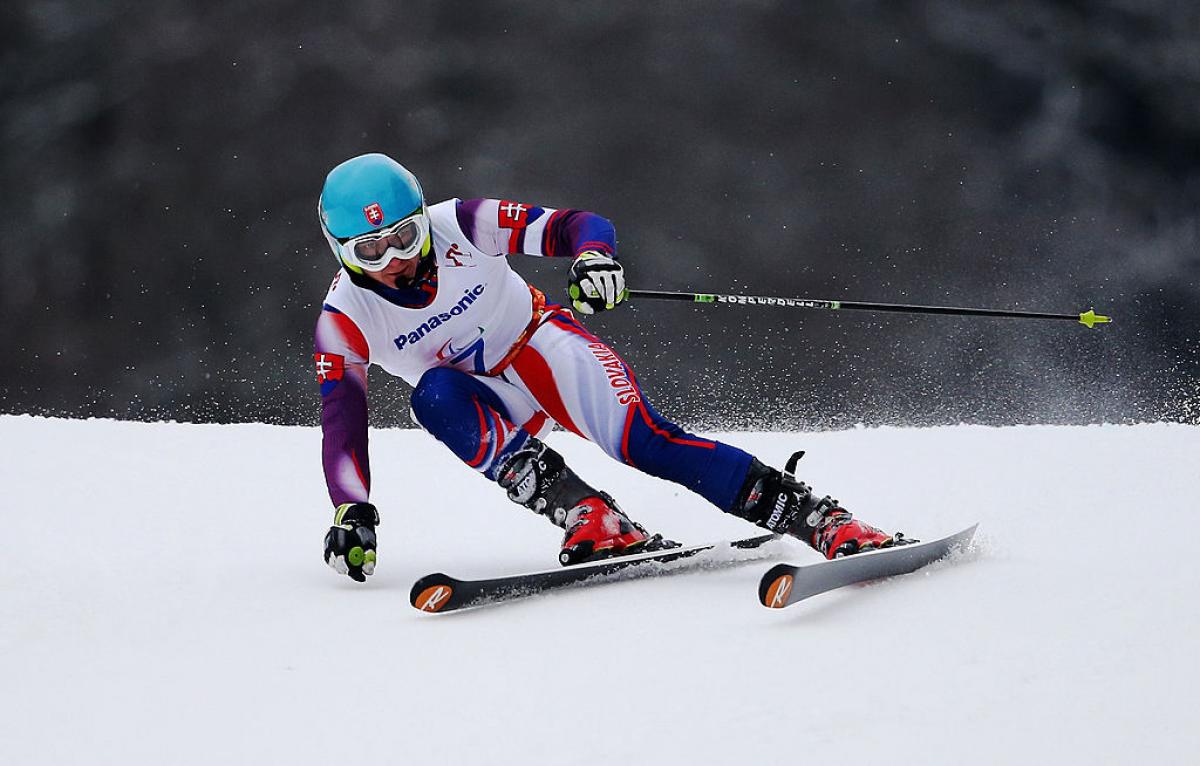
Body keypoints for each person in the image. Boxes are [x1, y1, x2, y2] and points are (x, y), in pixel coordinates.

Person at [315, 153, 897, 582]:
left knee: (645, 442)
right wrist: (352, 505)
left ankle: (822, 520)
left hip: (540, 348)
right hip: (489, 404)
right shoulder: (344, 318)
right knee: (433, 396)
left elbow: (576, 224)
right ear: (341, 251)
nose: (393, 259)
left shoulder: (462, 224)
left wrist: (595, 258)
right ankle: (589, 515)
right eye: (369, 251)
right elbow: (342, 421)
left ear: (423, 218)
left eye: (404, 236)